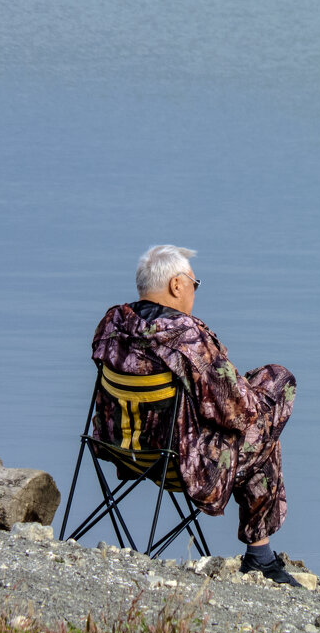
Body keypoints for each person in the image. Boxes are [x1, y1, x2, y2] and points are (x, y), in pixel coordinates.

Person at [91, 245, 301, 586]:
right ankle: (260, 558)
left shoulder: (112, 326)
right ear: (177, 285)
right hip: (185, 466)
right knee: (276, 388)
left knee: (260, 429)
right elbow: (242, 412)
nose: (194, 291)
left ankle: (262, 556)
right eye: (194, 283)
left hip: (125, 453)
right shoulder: (186, 337)